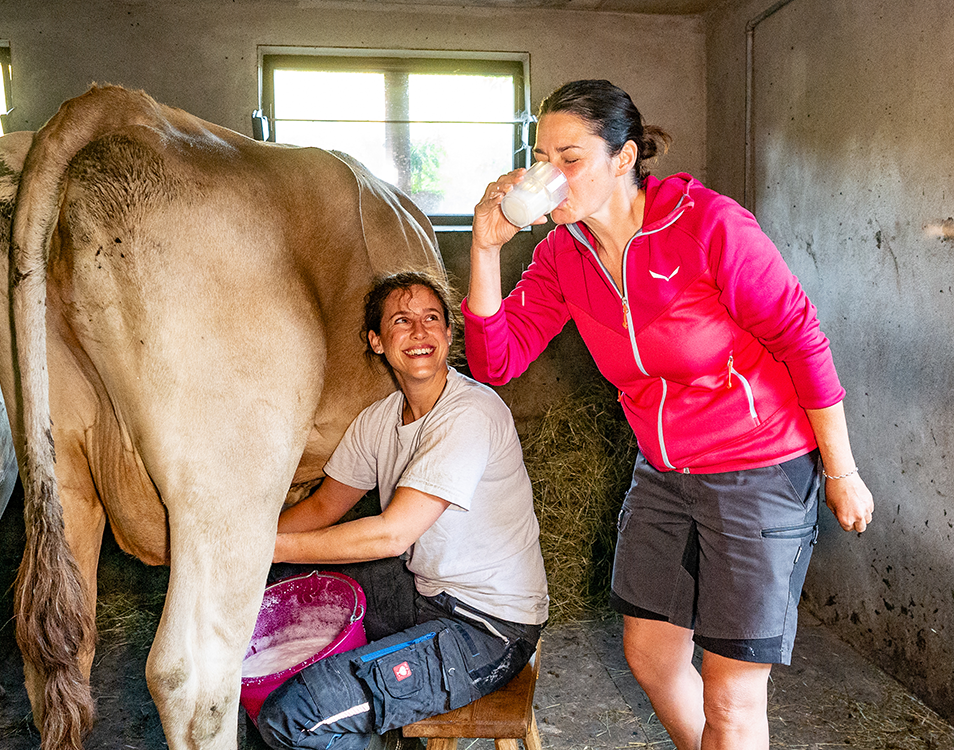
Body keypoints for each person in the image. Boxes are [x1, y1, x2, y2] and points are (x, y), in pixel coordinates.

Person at [463, 79, 874, 750]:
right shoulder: (566, 255)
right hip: (663, 471)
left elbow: (801, 338)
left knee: (732, 700)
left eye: (571, 157)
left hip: (759, 468)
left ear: (623, 159)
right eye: (541, 156)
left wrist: (841, 470)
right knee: (652, 657)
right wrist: (485, 248)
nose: (550, 174)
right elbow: (495, 361)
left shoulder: (707, 224)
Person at [256, 271, 548, 750]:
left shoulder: (470, 413)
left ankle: (348, 716)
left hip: (488, 626)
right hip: (424, 590)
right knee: (281, 582)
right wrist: (244, 546)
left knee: (292, 717)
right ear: (376, 341)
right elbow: (325, 506)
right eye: (401, 321)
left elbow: (393, 535)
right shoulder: (379, 421)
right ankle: (377, 709)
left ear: (449, 335)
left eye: (432, 318)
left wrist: (261, 547)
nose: (419, 332)